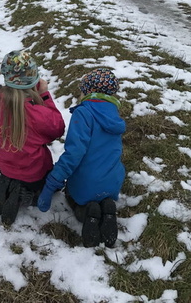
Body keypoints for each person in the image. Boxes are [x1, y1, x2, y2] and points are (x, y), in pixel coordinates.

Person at [37, 68, 125, 248]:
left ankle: (87, 212)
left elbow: (73, 154)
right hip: (113, 181)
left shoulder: (83, 113)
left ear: (89, 91)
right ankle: (107, 208)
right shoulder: (113, 114)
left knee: (74, 194)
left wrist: (51, 184)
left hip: (86, 184)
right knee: (105, 172)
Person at [0, 50, 65, 226]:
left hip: (6, 165)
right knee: (47, 183)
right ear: (34, 81)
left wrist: (5, 147)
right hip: (35, 172)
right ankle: (25, 195)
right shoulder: (38, 113)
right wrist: (45, 96)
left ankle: (9, 182)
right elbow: (57, 129)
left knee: (12, 170)